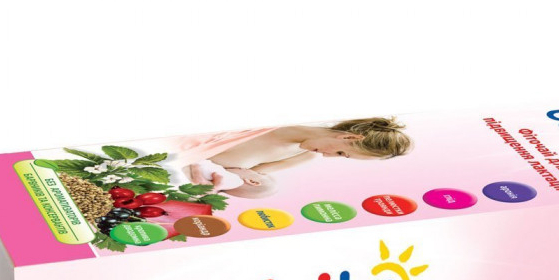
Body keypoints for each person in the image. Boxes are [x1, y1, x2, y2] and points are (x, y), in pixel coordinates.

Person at [174, 117, 413, 182]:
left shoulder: (302, 156)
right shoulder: (272, 121)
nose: (328, 156)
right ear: (349, 136)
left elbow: (243, 176)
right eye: (341, 153)